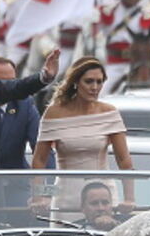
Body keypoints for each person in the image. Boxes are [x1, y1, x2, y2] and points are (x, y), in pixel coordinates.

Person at [30, 57, 135, 215]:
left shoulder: (109, 112)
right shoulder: (54, 113)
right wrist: (39, 197)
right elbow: (39, 161)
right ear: (75, 82)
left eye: (99, 82)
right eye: (89, 81)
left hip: (103, 198)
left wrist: (129, 199)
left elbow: (124, 160)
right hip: (65, 197)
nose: (95, 87)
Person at [0, 56, 51, 170]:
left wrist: (48, 182)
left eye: (12, 81)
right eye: (2, 82)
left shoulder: (25, 104)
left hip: (16, 180)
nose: (8, 86)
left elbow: (40, 144)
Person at [99, 0, 150, 91]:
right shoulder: (110, 11)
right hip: (116, 64)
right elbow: (99, 35)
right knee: (101, 92)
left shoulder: (146, 15)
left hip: (140, 64)